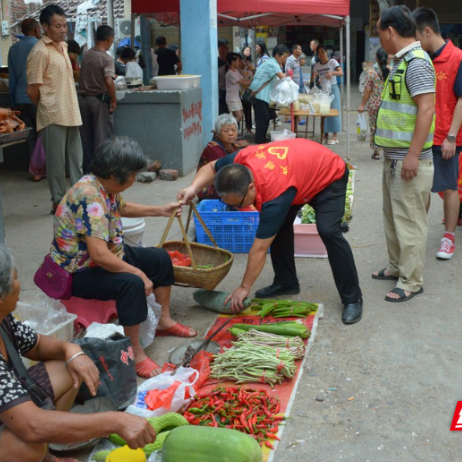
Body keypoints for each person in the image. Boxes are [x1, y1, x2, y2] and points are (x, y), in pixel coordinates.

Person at [50, 137, 197, 379]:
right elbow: (98, 255)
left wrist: (161, 210)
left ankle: (164, 320)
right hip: (79, 270)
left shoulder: (102, 186)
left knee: (159, 257)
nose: (133, 179)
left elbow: (122, 207)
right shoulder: (90, 197)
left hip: (105, 255)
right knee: (132, 283)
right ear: (116, 174)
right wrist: (137, 273)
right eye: (132, 175)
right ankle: (136, 352)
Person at [179, 138, 363, 324]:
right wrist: (192, 188)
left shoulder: (274, 195)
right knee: (280, 226)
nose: (237, 209)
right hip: (296, 176)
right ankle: (286, 282)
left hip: (328, 176)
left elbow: (259, 249)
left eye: (238, 204)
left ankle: (352, 298)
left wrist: (244, 287)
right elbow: (211, 167)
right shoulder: (240, 161)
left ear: (251, 187)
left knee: (328, 231)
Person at [0, 245, 157, 462]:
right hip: (19, 421)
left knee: (71, 365)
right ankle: (39, 453)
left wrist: (72, 350)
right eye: (15, 278)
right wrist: (115, 422)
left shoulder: (3, 319)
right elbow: (31, 426)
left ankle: (49, 454)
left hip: (8, 409)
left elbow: (36, 345)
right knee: (27, 444)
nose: (19, 284)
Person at [372, 6, 435, 302]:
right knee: (393, 218)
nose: (378, 38)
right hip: (394, 157)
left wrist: (412, 155)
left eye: (379, 32)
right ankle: (397, 267)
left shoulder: (418, 62)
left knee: (409, 221)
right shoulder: (402, 61)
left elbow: (426, 109)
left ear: (391, 31)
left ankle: (411, 281)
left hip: (409, 160)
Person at [413, 7, 462, 260]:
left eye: (416, 35)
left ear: (427, 31)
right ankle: (420, 234)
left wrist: (451, 137)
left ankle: (448, 238)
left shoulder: (457, 57)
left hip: (446, 139)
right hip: (426, 136)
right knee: (422, 188)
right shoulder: (424, 59)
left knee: (449, 188)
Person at [27, 4, 83, 215]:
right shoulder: (39, 52)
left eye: (64, 25)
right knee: (57, 165)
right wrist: (47, 105)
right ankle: (59, 203)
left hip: (71, 112)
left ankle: (78, 199)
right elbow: (32, 90)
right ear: (44, 27)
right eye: (58, 26)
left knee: (76, 160)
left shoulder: (64, 47)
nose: (62, 30)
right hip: (53, 115)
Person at [78, 25, 116, 175]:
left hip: (82, 100)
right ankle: (101, 173)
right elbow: (108, 81)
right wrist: (114, 100)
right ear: (110, 38)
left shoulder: (86, 55)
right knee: (101, 139)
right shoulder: (106, 58)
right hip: (99, 101)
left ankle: (88, 172)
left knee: (85, 139)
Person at [7, 18, 41, 180]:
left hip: (21, 98)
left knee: (30, 135)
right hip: (37, 98)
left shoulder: (13, 49)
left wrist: (13, 101)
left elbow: (11, 78)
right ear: (36, 30)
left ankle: (34, 170)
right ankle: (43, 168)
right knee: (44, 134)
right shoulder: (40, 47)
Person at [250, 44, 290, 144]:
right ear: (277, 55)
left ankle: (261, 139)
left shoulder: (271, 62)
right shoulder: (273, 63)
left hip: (261, 94)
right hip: (260, 95)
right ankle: (260, 142)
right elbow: (283, 78)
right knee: (263, 119)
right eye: (284, 57)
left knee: (264, 118)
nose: (284, 60)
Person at [197, 114, 240, 200]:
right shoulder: (213, 148)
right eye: (226, 131)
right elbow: (227, 172)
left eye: (233, 130)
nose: (231, 133)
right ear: (218, 133)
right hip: (207, 188)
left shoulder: (232, 145)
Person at [357, 48, 390, 160]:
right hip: (387, 105)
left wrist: (362, 104)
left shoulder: (371, 72)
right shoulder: (390, 71)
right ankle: (388, 150)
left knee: (374, 127)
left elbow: (367, 90)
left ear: (376, 58)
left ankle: (376, 152)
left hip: (374, 105)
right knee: (385, 127)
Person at [312, 46, 343, 145]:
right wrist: (315, 78)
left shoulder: (332, 62)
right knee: (324, 111)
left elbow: (341, 72)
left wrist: (332, 73)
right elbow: (314, 78)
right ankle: (325, 135)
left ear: (326, 52)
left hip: (333, 88)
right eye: (319, 53)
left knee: (334, 110)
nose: (321, 55)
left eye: (322, 52)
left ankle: (334, 136)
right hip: (323, 90)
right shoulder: (316, 66)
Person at [225, 53, 252, 124]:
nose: (239, 62)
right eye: (237, 60)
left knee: (238, 116)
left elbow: (244, 80)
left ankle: (232, 131)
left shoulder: (236, 71)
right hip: (231, 99)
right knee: (239, 116)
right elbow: (243, 82)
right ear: (232, 62)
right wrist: (254, 80)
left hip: (236, 98)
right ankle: (227, 127)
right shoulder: (230, 73)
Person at [240, 46, 255, 133]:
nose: (248, 52)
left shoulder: (249, 62)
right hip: (242, 87)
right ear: (242, 51)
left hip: (250, 87)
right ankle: (241, 127)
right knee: (243, 108)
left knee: (248, 108)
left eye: (249, 50)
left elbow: (254, 71)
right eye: (246, 50)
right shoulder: (240, 62)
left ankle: (249, 127)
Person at [218, 43, 229, 115]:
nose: (221, 54)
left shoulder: (230, 62)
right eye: (220, 52)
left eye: (223, 52)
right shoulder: (216, 62)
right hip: (222, 91)